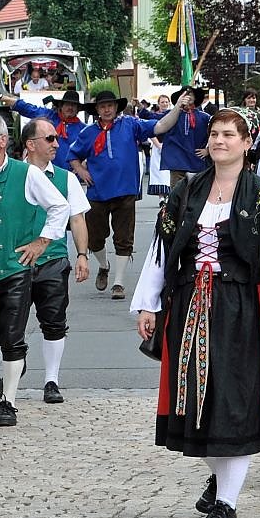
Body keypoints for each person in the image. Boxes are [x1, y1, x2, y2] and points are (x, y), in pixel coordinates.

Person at [133, 107, 260, 518]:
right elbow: (162, 248)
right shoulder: (186, 191)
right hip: (189, 304)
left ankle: (227, 502)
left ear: (247, 144)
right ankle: (221, 475)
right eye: (214, 133)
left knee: (234, 403)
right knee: (195, 402)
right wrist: (148, 303)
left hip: (239, 307)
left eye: (230, 134)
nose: (219, 141)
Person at [0, 113, 70, 428]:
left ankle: (8, 400)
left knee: (12, 337)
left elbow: (60, 206)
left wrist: (42, 242)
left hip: (14, 268)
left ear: (2, 140)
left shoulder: (26, 173)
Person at [68, 89, 186, 300]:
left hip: (125, 191)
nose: (107, 109)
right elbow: (73, 155)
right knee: (94, 237)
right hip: (97, 192)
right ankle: (104, 265)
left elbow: (161, 126)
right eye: (102, 106)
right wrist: (81, 171)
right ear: (97, 110)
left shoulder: (131, 125)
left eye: (110, 105)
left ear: (116, 107)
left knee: (124, 237)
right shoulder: (88, 132)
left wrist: (177, 107)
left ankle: (119, 283)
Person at [20, 118, 92, 404]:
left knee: (54, 320)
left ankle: (52, 379)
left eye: (56, 138)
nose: (56, 144)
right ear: (30, 144)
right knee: (9, 321)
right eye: (49, 139)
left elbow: (77, 218)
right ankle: (15, 356)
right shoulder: (13, 174)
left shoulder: (65, 178)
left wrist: (82, 255)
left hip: (53, 259)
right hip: (16, 259)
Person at [0, 88, 85, 170]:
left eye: (74, 105)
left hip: (71, 174)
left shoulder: (83, 130)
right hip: (44, 170)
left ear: (78, 109)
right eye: (67, 104)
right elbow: (28, 109)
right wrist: (2, 98)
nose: (70, 108)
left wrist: (80, 168)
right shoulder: (49, 116)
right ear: (61, 106)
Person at [155, 86, 212, 187]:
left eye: (190, 94)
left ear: (195, 98)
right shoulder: (170, 116)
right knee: (177, 193)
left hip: (196, 161)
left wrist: (208, 150)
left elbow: (216, 133)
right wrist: (140, 107)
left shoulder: (205, 117)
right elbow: (154, 120)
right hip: (177, 162)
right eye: (185, 94)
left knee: (196, 193)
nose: (188, 97)